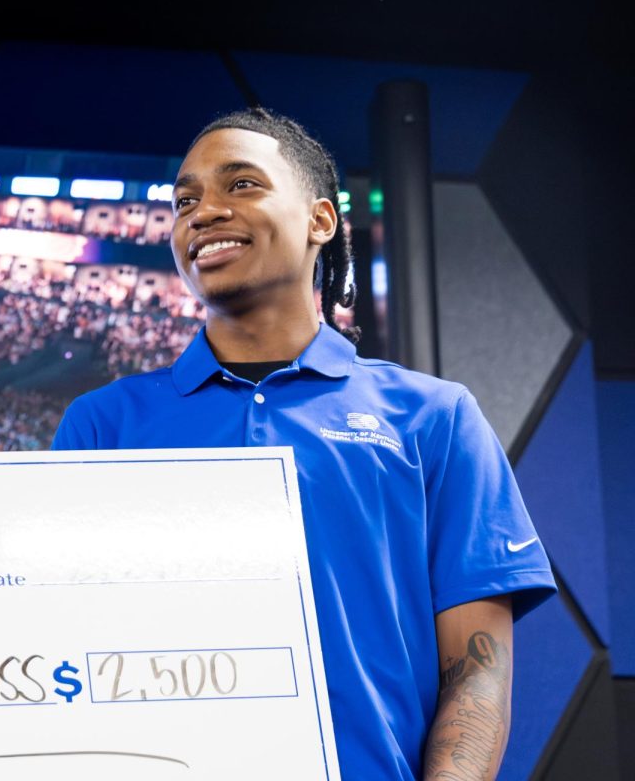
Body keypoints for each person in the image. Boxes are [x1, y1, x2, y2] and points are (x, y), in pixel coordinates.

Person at [52, 108, 555, 780]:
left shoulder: (435, 418)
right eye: (185, 200)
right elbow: (62, 651)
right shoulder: (100, 427)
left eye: (240, 185)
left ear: (321, 220)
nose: (202, 212)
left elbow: (477, 675)